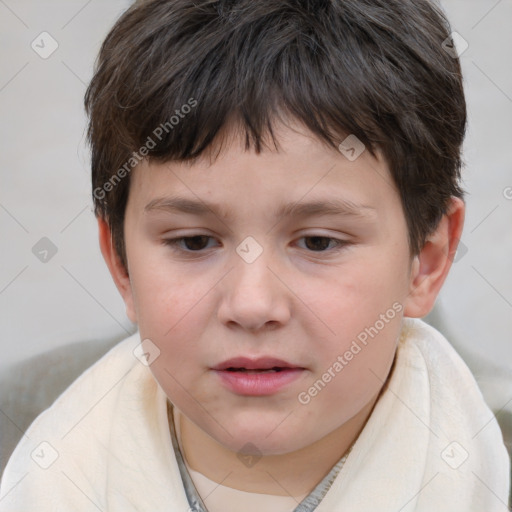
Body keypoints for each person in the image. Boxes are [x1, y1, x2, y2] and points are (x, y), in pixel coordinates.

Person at [0, 0, 510, 510]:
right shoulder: (29, 455)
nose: (251, 305)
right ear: (120, 264)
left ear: (426, 258)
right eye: (194, 242)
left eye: (318, 242)